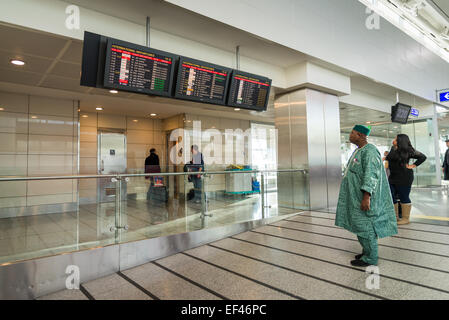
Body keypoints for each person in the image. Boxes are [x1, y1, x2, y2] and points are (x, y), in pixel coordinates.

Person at [335, 125, 397, 267]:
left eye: (352, 133)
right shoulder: (359, 150)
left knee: (366, 227)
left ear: (361, 135)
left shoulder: (370, 151)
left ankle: (371, 258)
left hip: (364, 197)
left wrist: (366, 197)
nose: (350, 135)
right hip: (356, 196)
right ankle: (366, 252)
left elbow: (371, 175)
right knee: (359, 225)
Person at [386, 134, 426, 225]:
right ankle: (395, 217)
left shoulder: (408, 150)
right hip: (393, 177)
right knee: (390, 195)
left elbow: (423, 157)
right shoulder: (393, 148)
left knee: (404, 196)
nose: (394, 140)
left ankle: (405, 218)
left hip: (404, 177)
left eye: (395, 139)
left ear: (400, 141)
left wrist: (413, 165)